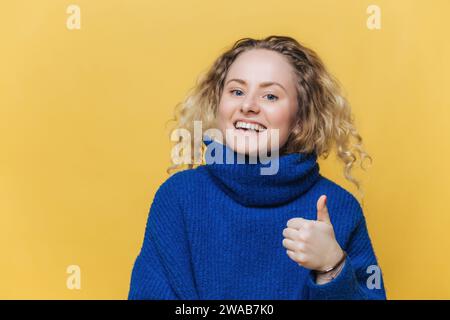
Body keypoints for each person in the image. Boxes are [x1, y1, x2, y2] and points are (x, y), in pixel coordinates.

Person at [128, 35, 387, 300]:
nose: (248, 106)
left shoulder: (339, 209)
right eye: (237, 91)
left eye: (270, 96)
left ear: (300, 119)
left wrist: (332, 268)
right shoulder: (178, 198)